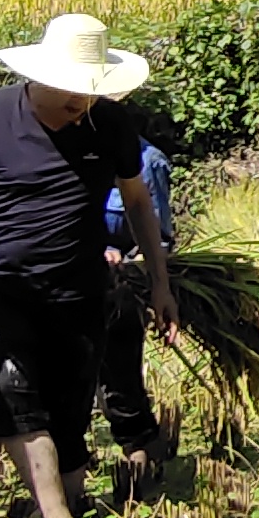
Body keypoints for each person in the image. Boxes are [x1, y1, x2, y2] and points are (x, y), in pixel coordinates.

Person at [0, 13, 176, 518]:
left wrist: (161, 284)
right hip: (2, 284)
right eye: (74, 90)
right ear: (42, 76)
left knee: (71, 414)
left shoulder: (112, 124)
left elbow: (139, 203)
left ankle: (59, 505)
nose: (83, 101)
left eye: (92, 90)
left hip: (81, 289)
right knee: (15, 399)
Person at [97, 134, 183, 493]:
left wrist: (127, 260)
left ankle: (144, 461)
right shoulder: (58, 150)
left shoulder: (149, 162)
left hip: (121, 289)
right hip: (65, 277)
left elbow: (158, 236)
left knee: (118, 378)